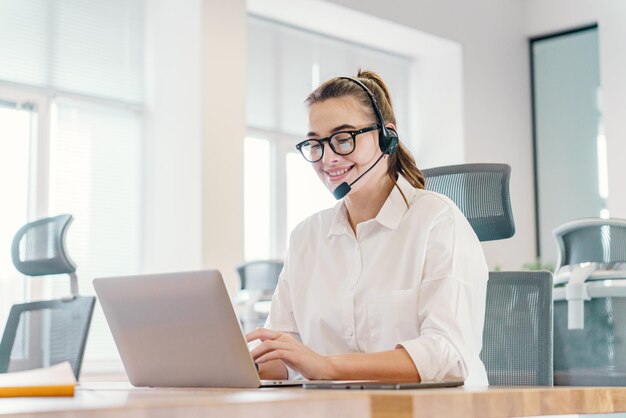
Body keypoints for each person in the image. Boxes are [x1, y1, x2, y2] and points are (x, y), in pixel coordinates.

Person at [246, 70, 489, 385]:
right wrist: (234, 363)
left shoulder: (437, 221)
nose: (328, 158)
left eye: (343, 139)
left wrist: (326, 366)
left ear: (387, 136)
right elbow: (284, 359)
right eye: (315, 144)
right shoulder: (307, 237)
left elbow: (448, 355)